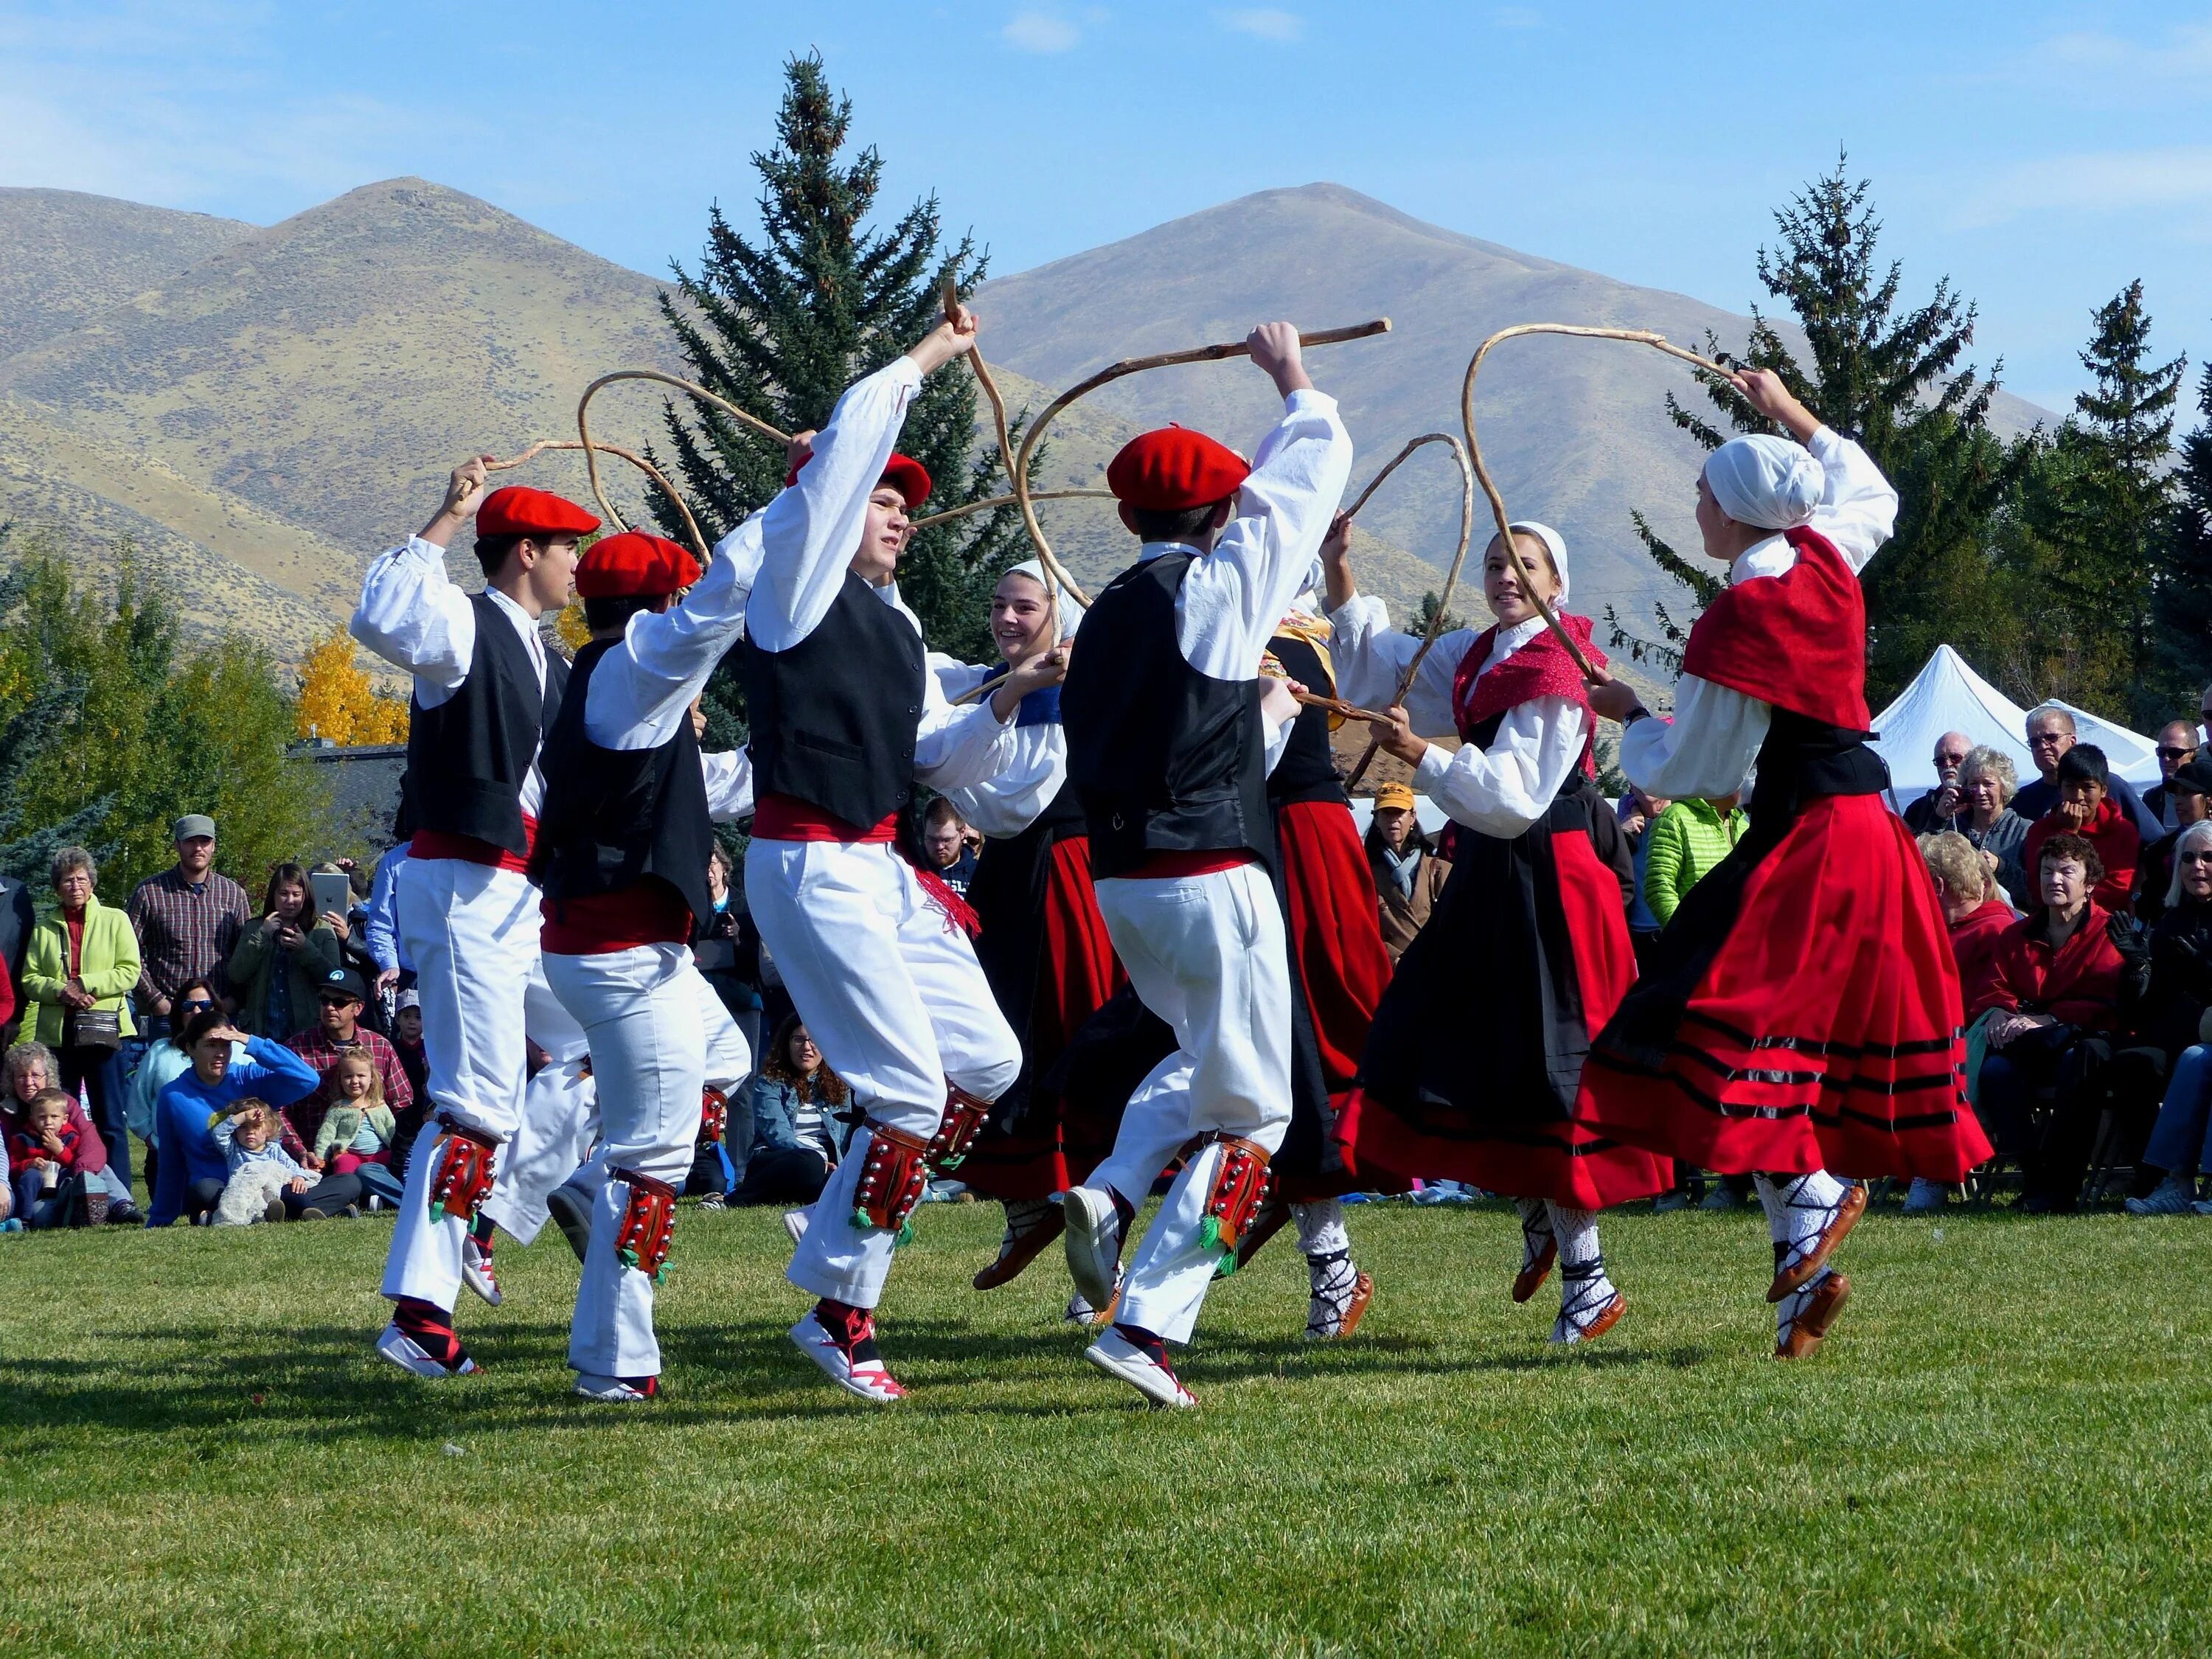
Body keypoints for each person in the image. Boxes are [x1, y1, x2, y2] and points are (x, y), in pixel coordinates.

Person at [1581, 367, 1991, 1359]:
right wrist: (1789, 412)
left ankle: (1815, 1196)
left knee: (1708, 1027)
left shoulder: (1742, 614)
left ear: (1733, 509)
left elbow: (1700, 767)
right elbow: (1874, 497)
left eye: (1704, 493)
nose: (1695, 505)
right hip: (1867, 829)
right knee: (1766, 1052)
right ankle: (1794, 1287)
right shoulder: (1825, 556)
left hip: (1807, 831)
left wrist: (1631, 715)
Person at [742, 306, 1054, 1404]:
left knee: (990, 1063)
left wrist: (1014, 691)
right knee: (911, 1098)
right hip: (808, 861)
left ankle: (841, 1221)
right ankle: (842, 1312)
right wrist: (931, 357)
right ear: (826, 498)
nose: (902, 516)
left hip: (878, 865)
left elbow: (934, 754)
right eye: (882, 496)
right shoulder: (795, 590)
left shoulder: (899, 622)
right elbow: (854, 436)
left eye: (908, 506)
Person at [1057, 320, 1352, 1407]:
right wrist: (1293, 382)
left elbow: (1177, 738)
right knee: (1256, 1116)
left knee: (1200, 1059)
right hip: (1214, 876)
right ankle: (1148, 1323)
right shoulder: (1217, 594)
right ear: (1221, 513)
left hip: (1125, 883)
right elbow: (1308, 481)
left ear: (1129, 517)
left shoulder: (1102, 621)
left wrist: (1263, 717)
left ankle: (1115, 1184)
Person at [1329, 514, 1663, 1345]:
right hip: (1494, 873)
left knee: (1554, 1076)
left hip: (1548, 874)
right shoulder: (1482, 655)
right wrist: (1339, 571)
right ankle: (1542, 1218)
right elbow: (1389, 666)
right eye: (1494, 564)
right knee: (1442, 1041)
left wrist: (1423, 757)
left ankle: (1588, 1282)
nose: (1505, 576)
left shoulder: (1555, 667)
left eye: (1525, 565)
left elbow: (1516, 797)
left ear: (1557, 584)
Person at [351, 464, 597, 1379]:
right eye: (568, 547)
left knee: (600, 1046)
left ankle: (491, 1217)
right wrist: (448, 518)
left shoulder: (553, 658)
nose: (579, 563)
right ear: (526, 552)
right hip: (461, 884)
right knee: (477, 1102)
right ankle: (420, 1315)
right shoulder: (462, 624)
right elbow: (380, 616)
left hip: (523, 893)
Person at [529, 524, 758, 1404]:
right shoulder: (627, 675)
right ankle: (615, 1360)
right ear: (658, 609)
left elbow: (707, 787)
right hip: (621, 948)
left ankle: (581, 1181)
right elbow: (711, 618)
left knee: (728, 1060)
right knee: (655, 1157)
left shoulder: (613, 690)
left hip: (622, 944)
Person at [929, 561, 1119, 1297]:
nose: (1007, 617)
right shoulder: (991, 679)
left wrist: (940, 770)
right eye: (998, 605)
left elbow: (1016, 804)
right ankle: (1026, 1203)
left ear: (1058, 617)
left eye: (1025, 606)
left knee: (1073, 1036)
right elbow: (921, 667)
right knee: (994, 1037)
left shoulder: (1062, 692)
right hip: (1011, 881)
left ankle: (1098, 1251)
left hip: (1065, 871)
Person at [1971, 833, 2157, 1212]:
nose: (2054, 879)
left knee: (2082, 1060)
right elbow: (1994, 986)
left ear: (2089, 884)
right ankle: (2038, 1180)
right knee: (1996, 1072)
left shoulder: (2109, 931)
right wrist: (2003, 1011)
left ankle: (2063, 1182)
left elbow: (2106, 1001)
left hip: (2089, 1037)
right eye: (2047, 871)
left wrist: (2048, 1017)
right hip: (2032, 1041)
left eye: (2067, 871)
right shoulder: (2016, 933)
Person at [1905, 833, 2017, 1212]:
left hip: (1966, 1040)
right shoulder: (1943, 931)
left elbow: (1985, 1002)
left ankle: (1932, 1173)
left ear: (1936, 885)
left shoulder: (1994, 930)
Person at [18, 846, 141, 1185]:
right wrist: (61, 990)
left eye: (81, 879)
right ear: (57, 887)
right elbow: (29, 980)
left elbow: (129, 972)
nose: (75, 886)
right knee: (59, 1119)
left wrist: (86, 983)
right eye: (68, 880)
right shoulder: (43, 929)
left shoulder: (116, 919)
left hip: (104, 1033)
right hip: (58, 1037)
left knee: (111, 1120)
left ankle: (119, 1194)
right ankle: (69, 1190)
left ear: (92, 883)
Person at [147, 1009, 329, 1225]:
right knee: (203, 1189)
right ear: (190, 1048)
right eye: (211, 1045)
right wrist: (159, 1219)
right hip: (219, 1188)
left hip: (268, 1183)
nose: (220, 1053)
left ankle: (271, 1210)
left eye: (226, 1045)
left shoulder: (248, 1078)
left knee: (349, 1182)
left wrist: (251, 1042)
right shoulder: (173, 1096)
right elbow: (171, 1162)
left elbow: (307, 1079)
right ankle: (289, 1210)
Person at [2125, 822, 2212, 1214]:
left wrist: (2202, 966)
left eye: (2209, 857)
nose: (2198, 866)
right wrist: (2137, 967)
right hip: (2191, 1039)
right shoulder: (2171, 922)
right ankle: (2176, 1181)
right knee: (2190, 1058)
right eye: (2188, 858)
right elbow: (2152, 1006)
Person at [125, 816, 251, 1041]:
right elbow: (129, 952)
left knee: (219, 1075)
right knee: (166, 1075)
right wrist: (156, 1000)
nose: (198, 848)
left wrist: (234, 1000)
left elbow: (246, 957)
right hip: (170, 1014)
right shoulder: (150, 892)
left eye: (205, 841)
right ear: (177, 845)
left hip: (219, 1013)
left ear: (214, 846)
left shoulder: (234, 895)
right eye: (191, 841)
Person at [1, 1040, 141, 1225]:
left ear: (47, 1077)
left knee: (101, 1168)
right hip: (33, 1188)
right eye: (20, 1076)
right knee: (41, 1215)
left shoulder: (64, 1103)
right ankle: (80, 1209)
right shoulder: (7, 1111)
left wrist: (79, 1172)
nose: (28, 1082)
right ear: (11, 1080)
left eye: (35, 1075)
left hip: (69, 1175)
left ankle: (122, 1205)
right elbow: (9, 1159)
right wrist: (28, 1166)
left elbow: (91, 1145)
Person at [282, 967, 413, 1165]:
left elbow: (402, 1105)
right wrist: (301, 1153)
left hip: (376, 1158)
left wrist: (395, 1154)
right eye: (324, 1000)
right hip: (313, 1161)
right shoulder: (296, 1049)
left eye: (340, 1002)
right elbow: (278, 1109)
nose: (329, 1007)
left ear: (358, 1008)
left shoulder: (380, 1046)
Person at [738, 1018, 855, 1207]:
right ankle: (738, 1198)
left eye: (814, 1040)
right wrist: (818, 1161)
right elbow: (777, 1133)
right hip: (779, 1158)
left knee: (848, 1181)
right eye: (798, 1040)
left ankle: (790, 1193)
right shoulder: (769, 1083)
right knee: (810, 1164)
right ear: (787, 1044)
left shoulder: (840, 1085)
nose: (806, 1047)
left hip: (825, 1167)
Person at [126, 976, 222, 1200]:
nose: (197, 1011)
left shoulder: (234, 1051)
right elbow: (137, 1102)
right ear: (179, 1011)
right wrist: (150, 1138)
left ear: (215, 1008)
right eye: (189, 1006)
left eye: (205, 1005)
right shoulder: (160, 1051)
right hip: (167, 1156)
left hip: (220, 1156)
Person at [227, 865, 344, 1040]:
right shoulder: (255, 927)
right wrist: (262, 936)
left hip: (306, 1032)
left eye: (296, 894)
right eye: (283, 894)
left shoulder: (322, 930)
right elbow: (236, 974)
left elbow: (336, 978)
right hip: (262, 1031)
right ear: (273, 895)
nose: (290, 901)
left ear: (305, 896)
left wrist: (305, 949)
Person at [2021, 745, 2140, 915]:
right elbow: (2037, 888)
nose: (2078, 796)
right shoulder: (2040, 831)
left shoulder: (2123, 831)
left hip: (2102, 923)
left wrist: (2074, 904)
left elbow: (2117, 889)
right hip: (2051, 920)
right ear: (2060, 788)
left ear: (2103, 790)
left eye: (2088, 788)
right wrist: (2067, 834)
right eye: (2070, 786)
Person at [2014, 706, 2161, 841]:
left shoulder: (2113, 787)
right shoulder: (2021, 801)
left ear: (2072, 741)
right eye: (2035, 742)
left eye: (2051, 738)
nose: (2043, 746)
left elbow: (2155, 842)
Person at [215, 1099, 348, 1224]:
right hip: (252, 1194)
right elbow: (219, 1133)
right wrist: (243, 1116)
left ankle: (309, 1212)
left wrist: (299, 1177)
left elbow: (291, 1165)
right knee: (252, 1200)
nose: (250, 1132)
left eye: (256, 1126)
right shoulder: (234, 1150)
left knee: (296, 1193)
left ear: (268, 1130)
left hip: (279, 1191)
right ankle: (278, 1214)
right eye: (243, 1127)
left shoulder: (274, 1149)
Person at [1368, 782, 1451, 961]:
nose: (1393, 819)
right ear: (1376, 819)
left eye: (1399, 812)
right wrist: (1393, 958)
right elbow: (1360, 928)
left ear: (1412, 817)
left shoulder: (1439, 870)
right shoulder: (1365, 874)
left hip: (1435, 969)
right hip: (1390, 971)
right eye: (1386, 813)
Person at [1642, 793, 1748, 928]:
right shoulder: (1675, 816)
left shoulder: (1743, 823)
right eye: (1739, 775)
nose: (1745, 782)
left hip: (1739, 941)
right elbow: (1658, 887)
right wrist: (1686, 937)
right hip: (1697, 943)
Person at [2136, 758, 2212, 928]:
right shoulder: (2158, 851)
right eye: (2177, 793)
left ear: (2209, 800)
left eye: (2186, 793)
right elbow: (2149, 904)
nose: (2178, 800)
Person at [1957, 746, 2031, 911]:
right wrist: (1940, 818)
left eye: (1988, 783)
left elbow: (2037, 891)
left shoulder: (2024, 831)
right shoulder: (1955, 828)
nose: (1980, 791)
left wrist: (2001, 868)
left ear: (2004, 787)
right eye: (1973, 783)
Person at [310, 1051, 400, 1184]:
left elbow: (392, 1130)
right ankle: (348, 1195)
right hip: (351, 1155)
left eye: (361, 1076)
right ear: (340, 1080)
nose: (355, 1081)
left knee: (392, 1160)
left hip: (379, 1155)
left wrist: (398, 1150)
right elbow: (325, 1135)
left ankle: (380, 1193)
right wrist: (320, 1158)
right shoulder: (338, 1109)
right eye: (348, 1076)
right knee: (343, 1163)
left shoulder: (379, 1105)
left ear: (371, 1079)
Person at [10, 1090, 86, 1229]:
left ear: (65, 1119)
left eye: (54, 1117)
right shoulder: (23, 1137)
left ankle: (77, 1213)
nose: (48, 1122)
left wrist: (60, 1151)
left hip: (60, 1185)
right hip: (35, 1191)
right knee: (31, 1175)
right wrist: (29, 1164)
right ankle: (24, 1220)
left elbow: (77, 1164)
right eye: (42, 1117)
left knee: (72, 1175)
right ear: (33, 1120)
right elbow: (13, 1166)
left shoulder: (72, 1137)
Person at [1615, 785, 1669, 964]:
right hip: (1637, 933)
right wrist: (1622, 832)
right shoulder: (1625, 815)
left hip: (1675, 928)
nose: (1646, 783)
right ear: (1631, 786)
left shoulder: (1682, 814)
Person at [362, 842, 414, 1001]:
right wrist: (389, 964)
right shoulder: (394, 860)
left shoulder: (477, 854)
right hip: (411, 979)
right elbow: (380, 924)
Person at [1902, 731, 1975, 834]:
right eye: (1940, 760)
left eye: (1955, 758)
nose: (1947, 764)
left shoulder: (1985, 802)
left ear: (1971, 761)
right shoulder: (1918, 809)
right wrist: (1937, 819)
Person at [2144, 721, 2202, 832]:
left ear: (2194, 754)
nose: (2166, 759)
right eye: (2161, 752)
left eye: (2175, 752)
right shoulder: (2151, 797)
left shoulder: (2207, 794)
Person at [918, 798, 978, 897]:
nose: (939, 846)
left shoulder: (979, 873)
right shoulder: (910, 870)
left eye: (947, 840)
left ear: (962, 833)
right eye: (932, 839)